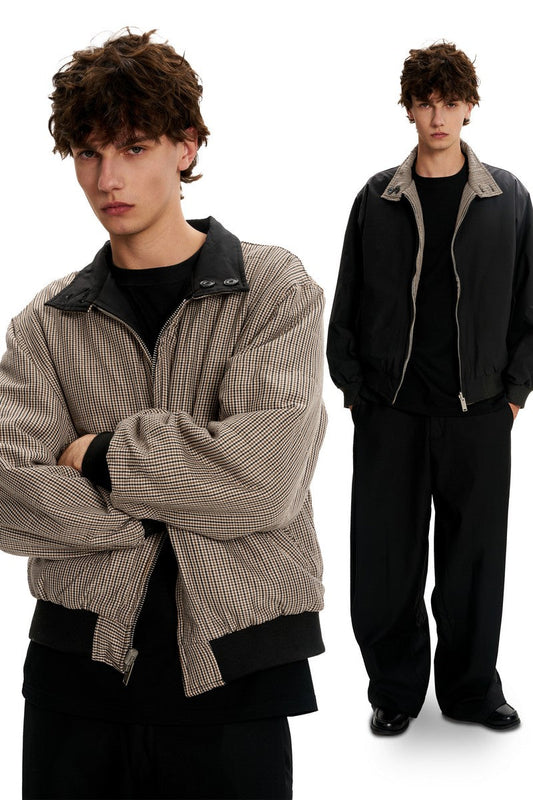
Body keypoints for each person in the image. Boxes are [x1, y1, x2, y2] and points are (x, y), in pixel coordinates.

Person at [0, 29, 327, 799]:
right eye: (88, 153)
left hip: (237, 678)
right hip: (75, 679)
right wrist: (182, 494)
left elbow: (264, 481)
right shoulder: (45, 322)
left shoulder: (272, 289)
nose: (107, 177)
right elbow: (10, 494)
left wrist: (99, 457)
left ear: (185, 146)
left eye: (133, 147)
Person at [327, 42, 532, 736]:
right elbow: (347, 303)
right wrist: (358, 393)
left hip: (480, 412)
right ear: (409, 108)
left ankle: (472, 692)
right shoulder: (377, 198)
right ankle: (393, 691)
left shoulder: (507, 198)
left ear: (469, 107)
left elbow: (529, 305)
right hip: (392, 412)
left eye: (449, 102)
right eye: (424, 102)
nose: (437, 115)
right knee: (384, 565)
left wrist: (513, 393)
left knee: (474, 564)